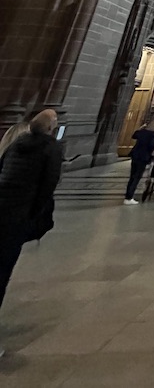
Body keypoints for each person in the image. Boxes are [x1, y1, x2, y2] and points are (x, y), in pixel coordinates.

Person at [0, 109, 62, 347]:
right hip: (17, 217)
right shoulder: (51, 148)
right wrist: (35, 215)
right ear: (50, 128)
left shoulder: (16, 144)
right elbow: (49, 184)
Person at [124, 119, 154, 205]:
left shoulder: (142, 132)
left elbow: (134, 135)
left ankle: (127, 196)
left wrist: (141, 128)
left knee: (132, 176)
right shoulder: (153, 135)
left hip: (135, 155)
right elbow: (151, 146)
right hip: (143, 158)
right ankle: (129, 197)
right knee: (137, 177)